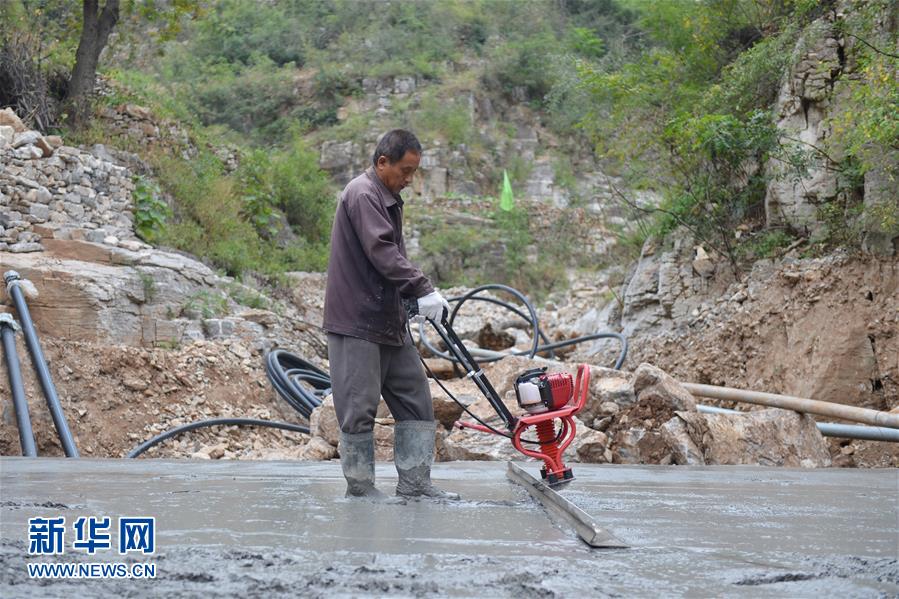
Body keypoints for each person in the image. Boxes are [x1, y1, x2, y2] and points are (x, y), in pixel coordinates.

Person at [323, 129, 459, 501]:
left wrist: (411, 297)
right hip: (356, 321)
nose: (409, 179)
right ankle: (361, 488)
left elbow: (388, 260)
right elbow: (382, 252)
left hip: (386, 318)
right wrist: (422, 287)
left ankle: (416, 483)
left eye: (414, 172)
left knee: (415, 398)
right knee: (358, 408)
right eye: (405, 170)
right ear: (382, 162)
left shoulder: (388, 197)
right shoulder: (363, 193)